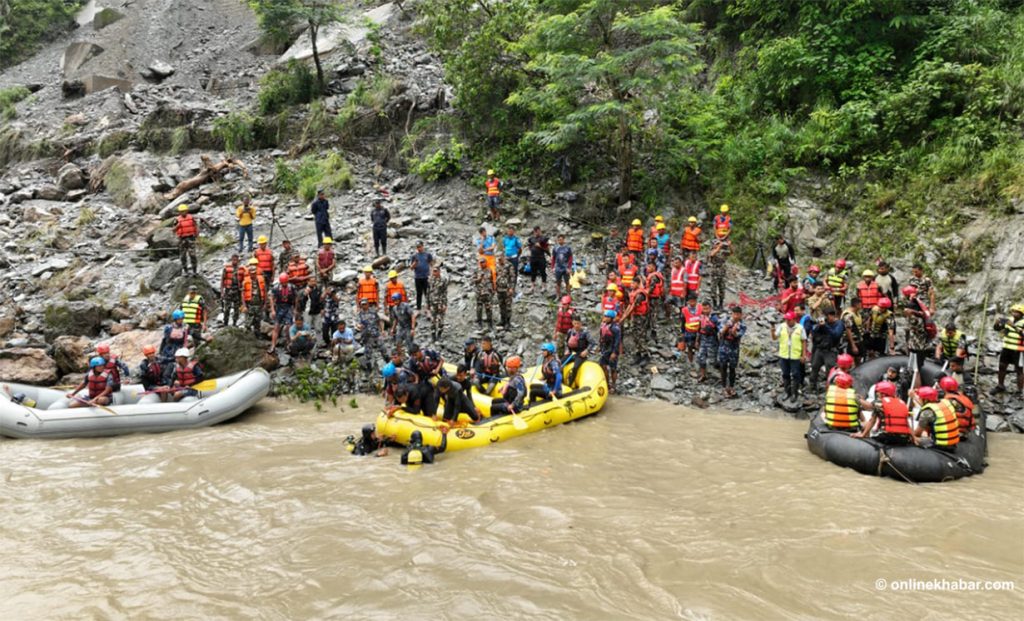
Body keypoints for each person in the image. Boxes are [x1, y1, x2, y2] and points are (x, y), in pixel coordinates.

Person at [772, 311, 808, 401]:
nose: (787, 321)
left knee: (796, 375)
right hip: (784, 355)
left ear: (794, 319)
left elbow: (804, 341)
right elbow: (774, 338)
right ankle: (787, 392)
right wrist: (772, 331)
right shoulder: (782, 326)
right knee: (785, 374)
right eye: (786, 319)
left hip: (795, 356)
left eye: (789, 320)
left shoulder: (800, 328)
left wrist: (803, 355)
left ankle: (794, 394)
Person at [912, 386, 959, 451]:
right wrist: (914, 396)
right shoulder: (947, 402)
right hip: (953, 443)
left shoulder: (927, 412)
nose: (918, 399)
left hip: (940, 444)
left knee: (913, 438)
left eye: (920, 398)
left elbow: (917, 434)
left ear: (925, 400)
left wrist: (911, 434)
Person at [808, 309, 845, 391]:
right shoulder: (823, 323)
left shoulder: (839, 324)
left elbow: (836, 335)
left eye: (827, 317)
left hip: (830, 351)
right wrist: (819, 326)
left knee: (830, 369)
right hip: (820, 349)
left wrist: (826, 326)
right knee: (814, 367)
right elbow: (813, 333)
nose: (826, 319)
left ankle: (830, 388)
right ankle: (812, 385)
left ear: (832, 316)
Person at [993, 303, 1024, 395]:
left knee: (1019, 370)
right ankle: (1000, 386)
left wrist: (1013, 326)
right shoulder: (1009, 320)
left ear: (1021, 313)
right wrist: (997, 323)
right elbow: (997, 329)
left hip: (1018, 350)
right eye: (1013, 311)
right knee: (1002, 366)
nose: (1014, 313)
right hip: (1006, 348)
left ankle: (1019, 390)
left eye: (1017, 312)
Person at [902, 285, 933, 373]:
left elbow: (909, 328)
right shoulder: (919, 314)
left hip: (916, 346)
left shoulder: (915, 319)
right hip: (918, 345)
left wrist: (911, 312)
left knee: (916, 368)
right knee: (915, 365)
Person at [718, 306, 746, 398]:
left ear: (741, 315)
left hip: (734, 349)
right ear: (732, 314)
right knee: (723, 367)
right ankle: (724, 387)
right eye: (734, 314)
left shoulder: (742, 324)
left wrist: (734, 332)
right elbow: (720, 333)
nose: (736, 316)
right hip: (724, 347)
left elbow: (739, 335)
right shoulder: (725, 320)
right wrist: (727, 326)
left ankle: (731, 386)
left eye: (738, 314)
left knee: (733, 368)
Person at [623, 283, 651, 363]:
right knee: (635, 335)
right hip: (635, 317)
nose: (631, 285)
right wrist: (624, 315)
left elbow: (633, 307)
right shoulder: (633, 293)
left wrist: (623, 318)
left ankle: (645, 355)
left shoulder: (640, 295)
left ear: (638, 284)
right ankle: (638, 353)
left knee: (640, 335)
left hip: (640, 318)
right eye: (631, 283)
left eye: (633, 283)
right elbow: (630, 305)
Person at [159, 309, 190, 383]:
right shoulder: (169, 328)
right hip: (169, 350)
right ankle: (165, 381)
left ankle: (181, 380)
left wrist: (204, 339)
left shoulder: (185, 327)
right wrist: (160, 352)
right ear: (175, 319)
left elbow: (193, 334)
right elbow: (164, 340)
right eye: (179, 319)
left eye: (182, 318)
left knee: (179, 364)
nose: (181, 320)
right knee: (166, 365)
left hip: (179, 349)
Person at [268, 274, 296, 352]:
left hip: (289, 307)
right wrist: (272, 310)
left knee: (288, 327)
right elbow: (271, 298)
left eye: (285, 283)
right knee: (276, 326)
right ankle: (273, 345)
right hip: (279, 307)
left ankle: (288, 344)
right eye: (282, 283)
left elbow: (296, 298)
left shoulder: (292, 287)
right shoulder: (276, 288)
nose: (284, 284)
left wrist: (295, 309)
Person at [599, 310, 623, 393]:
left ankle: (613, 385)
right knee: (603, 366)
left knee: (613, 368)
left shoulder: (615, 328)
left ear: (611, 318)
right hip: (605, 349)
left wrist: (614, 352)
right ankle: (606, 383)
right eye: (605, 316)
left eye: (607, 317)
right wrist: (599, 347)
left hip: (612, 349)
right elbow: (601, 337)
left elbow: (617, 341)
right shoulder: (603, 325)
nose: (605, 318)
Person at [356, 298, 387, 364]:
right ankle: (368, 367)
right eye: (362, 304)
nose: (364, 306)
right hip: (367, 336)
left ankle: (388, 361)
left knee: (383, 348)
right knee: (368, 352)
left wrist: (382, 330)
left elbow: (379, 321)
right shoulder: (360, 314)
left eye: (365, 304)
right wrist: (359, 326)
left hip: (376, 333)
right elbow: (357, 323)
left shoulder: (373, 312)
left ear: (368, 304)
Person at [696, 304, 721, 383]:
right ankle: (703, 375)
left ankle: (722, 375)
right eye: (704, 309)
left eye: (707, 309)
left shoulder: (714, 318)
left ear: (710, 308)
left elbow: (720, 330)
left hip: (712, 340)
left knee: (713, 360)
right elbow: (699, 329)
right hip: (703, 339)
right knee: (701, 357)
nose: (705, 311)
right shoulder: (701, 317)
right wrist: (697, 340)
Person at [242, 258, 267, 336]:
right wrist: (244, 305)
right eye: (251, 273)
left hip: (259, 303)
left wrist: (265, 303)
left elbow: (265, 291)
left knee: (258, 320)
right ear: (249, 273)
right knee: (248, 321)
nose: (253, 274)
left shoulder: (261, 279)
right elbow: (242, 294)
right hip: (250, 303)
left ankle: (257, 335)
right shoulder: (245, 281)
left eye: (254, 273)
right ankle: (247, 335)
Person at [564, 316, 590, 387]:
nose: (576, 325)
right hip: (572, 352)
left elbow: (593, 343)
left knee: (575, 367)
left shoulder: (585, 333)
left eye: (578, 323)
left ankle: (570, 384)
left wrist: (586, 351)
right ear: (572, 323)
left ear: (581, 324)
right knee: (560, 363)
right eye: (575, 323)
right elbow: (566, 342)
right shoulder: (570, 331)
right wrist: (567, 350)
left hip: (580, 354)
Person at [174, 204, 199, 275]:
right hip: (182, 239)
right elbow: (173, 230)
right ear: (179, 212)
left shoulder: (191, 218)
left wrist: (197, 236)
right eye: (181, 211)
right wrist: (177, 226)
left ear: (187, 211)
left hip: (191, 238)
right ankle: (185, 271)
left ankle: (195, 271)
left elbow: (195, 226)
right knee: (183, 256)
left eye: (184, 211)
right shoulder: (177, 220)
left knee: (193, 255)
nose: (183, 213)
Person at [220, 254, 244, 327]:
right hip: (228, 290)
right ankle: (225, 323)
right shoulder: (227, 268)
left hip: (237, 291)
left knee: (237, 308)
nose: (235, 261)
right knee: (227, 308)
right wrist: (222, 291)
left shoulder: (241, 269)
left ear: (238, 260)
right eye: (233, 259)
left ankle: (234, 323)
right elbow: (222, 279)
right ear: (231, 259)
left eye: (236, 260)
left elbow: (243, 280)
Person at [409, 241, 433, 311]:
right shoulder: (414, 256)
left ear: (423, 246)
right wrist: (415, 263)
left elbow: (431, 264)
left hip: (426, 276)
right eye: (417, 247)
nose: (419, 248)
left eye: (420, 246)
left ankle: (428, 306)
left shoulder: (428, 255)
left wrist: (431, 274)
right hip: (418, 277)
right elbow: (411, 268)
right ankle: (418, 307)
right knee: (419, 293)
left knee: (427, 292)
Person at [426, 264, 449, 341]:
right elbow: (428, 292)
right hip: (432, 302)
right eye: (433, 271)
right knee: (433, 319)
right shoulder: (430, 279)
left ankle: (439, 334)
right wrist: (427, 304)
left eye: (435, 271)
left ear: (439, 271)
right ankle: (433, 334)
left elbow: (445, 293)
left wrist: (444, 304)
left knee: (440, 320)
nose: (434, 273)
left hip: (440, 303)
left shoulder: (443, 280)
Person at [679, 295, 702, 366]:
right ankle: (691, 362)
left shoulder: (700, 308)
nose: (692, 303)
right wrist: (682, 333)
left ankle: (699, 362)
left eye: (694, 301)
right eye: (691, 302)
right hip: (689, 332)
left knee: (699, 346)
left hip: (699, 332)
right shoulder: (684, 310)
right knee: (689, 347)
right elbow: (683, 322)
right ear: (688, 302)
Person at [495, 254, 516, 329]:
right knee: (501, 305)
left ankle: (508, 322)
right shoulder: (497, 265)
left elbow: (512, 277)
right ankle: (502, 320)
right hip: (499, 289)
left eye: (501, 259)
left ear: (503, 257)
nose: (499, 260)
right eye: (498, 259)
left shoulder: (509, 265)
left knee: (508, 306)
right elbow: (495, 276)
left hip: (507, 289)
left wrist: (511, 288)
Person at [473, 258, 495, 329]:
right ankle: (479, 323)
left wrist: (493, 290)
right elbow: (473, 280)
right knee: (479, 308)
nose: (482, 264)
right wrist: (479, 279)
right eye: (481, 263)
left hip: (487, 292)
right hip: (479, 292)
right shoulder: (476, 271)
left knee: (488, 308)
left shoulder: (489, 270)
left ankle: (490, 323)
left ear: (486, 262)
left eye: (483, 262)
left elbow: (491, 280)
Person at [527, 226, 549, 292]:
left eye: (538, 231)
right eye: (535, 231)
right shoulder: (532, 238)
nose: (537, 232)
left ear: (540, 231)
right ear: (534, 232)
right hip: (533, 257)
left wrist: (540, 246)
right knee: (533, 272)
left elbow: (547, 249)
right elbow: (529, 243)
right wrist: (531, 248)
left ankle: (544, 286)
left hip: (541, 257)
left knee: (543, 272)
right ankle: (532, 286)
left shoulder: (543, 238)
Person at [551, 234, 574, 300]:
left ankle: (569, 295)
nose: (560, 241)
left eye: (561, 239)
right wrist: (552, 267)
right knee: (558, 283)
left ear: (564, 240)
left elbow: (570, 258)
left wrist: (569, 267)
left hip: (565, 267)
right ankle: (558, 295)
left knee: (567, 282)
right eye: (559, 240)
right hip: (558, 268)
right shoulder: (555, 248)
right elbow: (553, 258)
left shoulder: (567, 248)